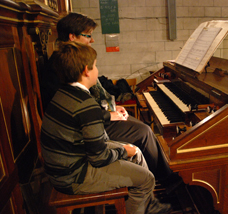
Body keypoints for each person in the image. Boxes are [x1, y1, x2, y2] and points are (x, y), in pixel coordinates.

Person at [40, 41, 172, 213]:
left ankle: (147, 204)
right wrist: (125, 151)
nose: (98, 71)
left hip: (68, 161)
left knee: (137, 152)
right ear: (86, 71)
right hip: (73, 176)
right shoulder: (86, 104)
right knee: (146, 179)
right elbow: (99, 158)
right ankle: (141, 198)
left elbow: (89, 130)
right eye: (95, 66)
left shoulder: (64, 93)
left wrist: (128, 150)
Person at [40, 12, 172, 180]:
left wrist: (111, 108)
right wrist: (108, 114)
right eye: (88, 35)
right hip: (81, 133)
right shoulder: (59, 67)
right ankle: (163, 180)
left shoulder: (70, 60)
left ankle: (156, 174)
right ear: (72, 36)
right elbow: (73, 112)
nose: (92, 40)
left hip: (93, 118)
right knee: (144, 132)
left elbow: (89, 98)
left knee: (139, 125)